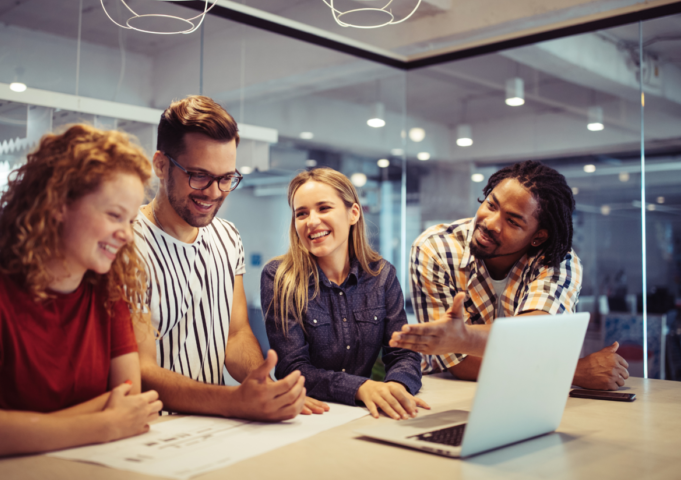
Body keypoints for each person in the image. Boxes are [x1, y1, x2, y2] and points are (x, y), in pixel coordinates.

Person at [0, 125, 163, 460]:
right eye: (114, 215)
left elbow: (129, 400)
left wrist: (2, 431)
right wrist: (106, 424)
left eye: (129, 221)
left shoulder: (109, 294)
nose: (126, 235)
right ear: (58, 203)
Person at [133, 96, 309, 421]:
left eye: (226, 178)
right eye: (199, 175)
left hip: (213, 429)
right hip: (151, 431)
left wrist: (266, 388)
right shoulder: (126, 244)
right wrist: (233, 401)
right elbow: (139, 370)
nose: (214, 192)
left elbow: (236, 334)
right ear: (160, 164)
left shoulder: (227, 237)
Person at [390, 160, 629, 391]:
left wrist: (461, 338)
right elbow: (459, 364)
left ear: (538, 237)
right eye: (491, 205)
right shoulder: (435, 249)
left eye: (512, 221)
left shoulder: (556, 260)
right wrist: (572, 372)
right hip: (453, 395)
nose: (491, 223)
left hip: (536, 396)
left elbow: (537, 334)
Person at [261, 168, 428, 420]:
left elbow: (403, 352)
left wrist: (397, 386)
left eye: (324, 208)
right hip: (309, 416)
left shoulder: (381, 275)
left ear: (353, 213)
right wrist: (360, 387)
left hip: (366, 414)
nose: (312, 221)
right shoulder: (280, 277)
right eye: (301, 213)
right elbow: (292, 369)